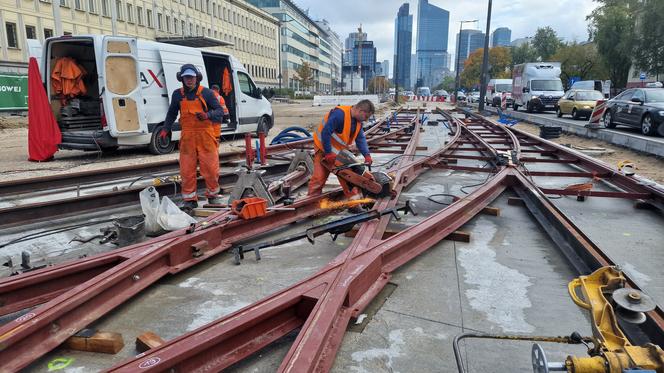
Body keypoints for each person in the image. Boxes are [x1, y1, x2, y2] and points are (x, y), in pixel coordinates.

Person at [161, 64, 224, 210]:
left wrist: (207, 115)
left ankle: (213, 195)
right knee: (187, 169)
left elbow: (220, 111)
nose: (189, 80)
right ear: (182, 79)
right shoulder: (178, 94)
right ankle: (190, 199)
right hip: (188, 136)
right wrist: (166, 128)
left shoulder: (207, 93)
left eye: (192, 77)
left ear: (197, 77)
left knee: (210, 168)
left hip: (206, 135)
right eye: (186, 77)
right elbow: (171, 113)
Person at [308, 99, 374, 199]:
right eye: (366, 116)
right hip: (323, 148)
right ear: (361, 111)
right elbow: (326, 132)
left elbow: (360, 139)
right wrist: (328, 153)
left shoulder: (358, 122)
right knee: (319, 177)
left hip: (339, 152)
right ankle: (311, 202)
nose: (366, 120)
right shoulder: (339, 114)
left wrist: (367, 155)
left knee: (349, 176)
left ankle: (354, 204)